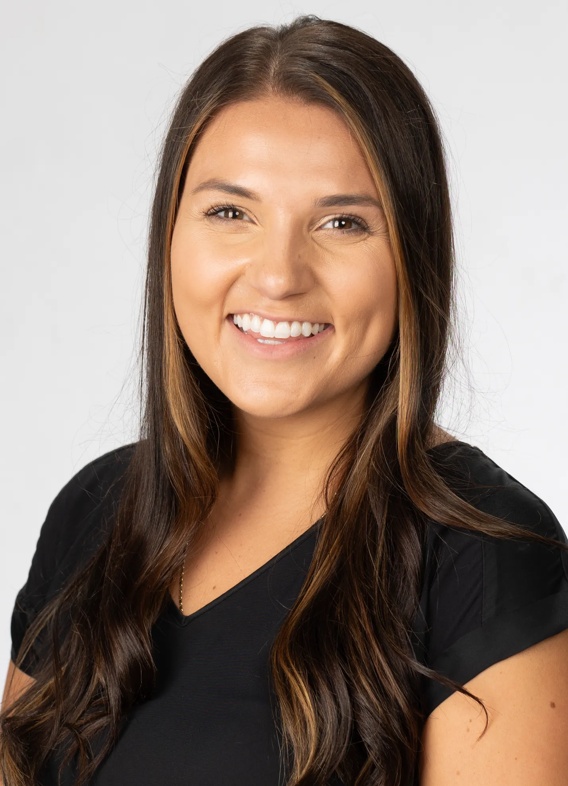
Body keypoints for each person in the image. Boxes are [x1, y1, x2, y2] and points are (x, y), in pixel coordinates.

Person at [1, 15, 568, 786]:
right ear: (170, 236)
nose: (278, 275)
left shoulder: (487, 560)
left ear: (414, 255)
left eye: (343, 223)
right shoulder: (96, 511)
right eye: (230, 213)